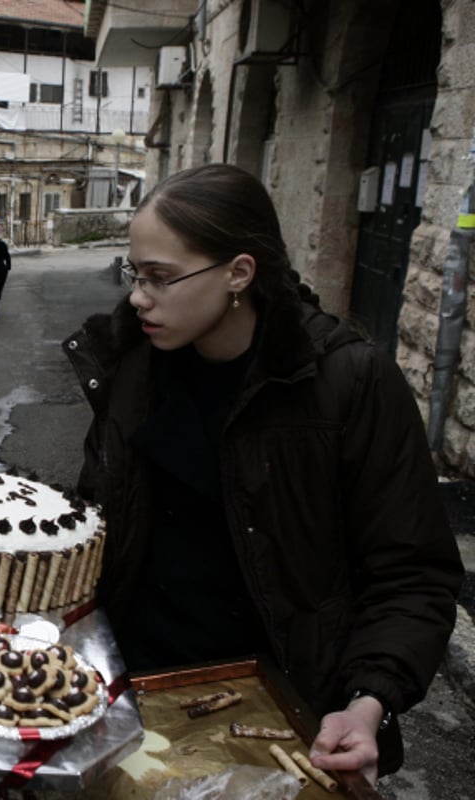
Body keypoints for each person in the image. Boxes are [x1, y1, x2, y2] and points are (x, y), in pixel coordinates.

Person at [64, 163, 462, 786]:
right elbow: (95, 520)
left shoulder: (347, 384)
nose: (138, 296)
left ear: (238, 274)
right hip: (135, 692)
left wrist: (365, 703)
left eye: (161, 278)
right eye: (135, 274)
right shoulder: (131, 369)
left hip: (286, 708)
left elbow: (412, 573)